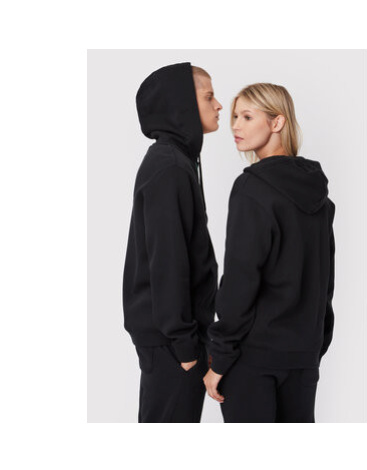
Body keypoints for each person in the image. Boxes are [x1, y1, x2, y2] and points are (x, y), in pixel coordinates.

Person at [203, 83, 336, 423]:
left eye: (248, 117)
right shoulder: (320, 196)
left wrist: (220, 357)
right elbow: (325, 281)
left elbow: (240, 279)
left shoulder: (252, 187)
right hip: (302, 358)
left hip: (253, 358)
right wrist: (314, 345)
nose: (236, 126)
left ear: (277, 122)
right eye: (234, 117)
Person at [123, 62, 222, 422]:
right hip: (173, 343)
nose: (219, 106)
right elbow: (167, 261)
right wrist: (184, 346)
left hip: (175, 338)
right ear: (183, 103)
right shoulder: (170, 167)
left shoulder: (175, 161)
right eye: (209, 97)